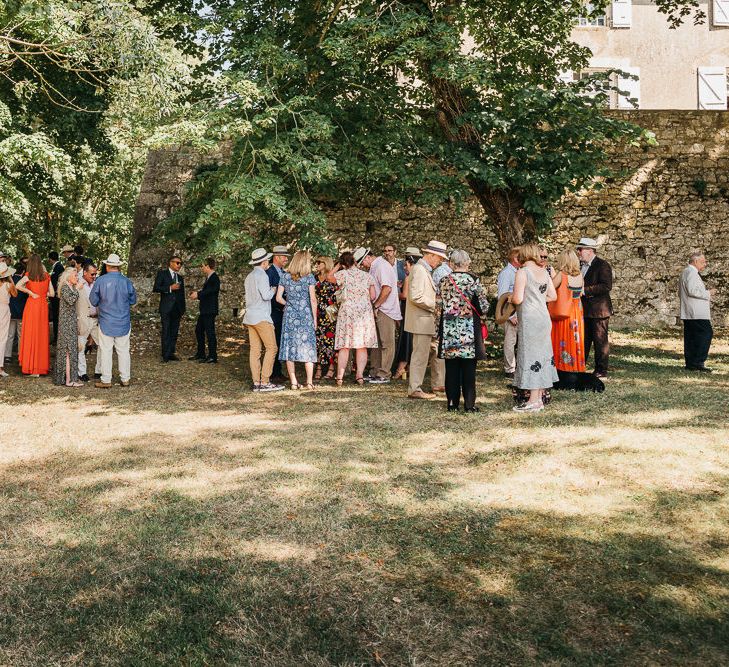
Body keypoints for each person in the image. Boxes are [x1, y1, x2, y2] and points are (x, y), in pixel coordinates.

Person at [436, 250, 488, 412]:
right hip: (468, 332)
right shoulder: (473, 280)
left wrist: (439, 326)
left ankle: (452, 403)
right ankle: (469, 404)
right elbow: (484, 306)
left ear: (452, 263)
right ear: (466, 263)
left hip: (449, 330)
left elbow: (438, 306)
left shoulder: (444, 281)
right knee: (468, 369)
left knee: (451, 369)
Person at [510, 242, 558, 413]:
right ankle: (537, 399)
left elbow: (517, 298)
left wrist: (510, 299)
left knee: (530, 356)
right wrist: (538, 297)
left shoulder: (522, 272)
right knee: (541, 356)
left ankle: (533, 400)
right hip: (543, 318)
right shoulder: (544, 272)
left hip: (530, 318)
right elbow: (553, 296)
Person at [404, 240, 448, 399]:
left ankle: (437, 383)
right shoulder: (419, 270)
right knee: (420, 356)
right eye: (439, 258)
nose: (441, 261)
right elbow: (416, 296)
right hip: (421, 320)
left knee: (434, 351)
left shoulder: (423, 269)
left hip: (425, 320)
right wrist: (435, 304)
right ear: (431, 255)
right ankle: (414, 388)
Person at [89, 254, 137, 388]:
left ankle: (106, 379)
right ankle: (125, 378)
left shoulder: (100, 281)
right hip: (123, 321)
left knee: (106, 350)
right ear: (119, 266)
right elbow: (133, 300)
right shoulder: (126, 281)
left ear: (107, 266)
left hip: (106, 321)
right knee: (123, 351)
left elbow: (93, 300)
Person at [333, 250, 378, 386]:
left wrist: (337, 266)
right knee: (361, 346)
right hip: (363, 313)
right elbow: (372, 296)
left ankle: (340, 377)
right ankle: (359, 376)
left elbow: (329, 277)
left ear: (343, 263)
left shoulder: (342, 274)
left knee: (345, 346)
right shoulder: (367, 276)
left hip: (347, 312)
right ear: (355, 262)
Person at [243, 249, 284, 392]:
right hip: (262, 317)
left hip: (250, 316)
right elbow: (266, 296)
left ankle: (256, 382)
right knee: (272, 348)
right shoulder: (263, 275)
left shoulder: (249, 276)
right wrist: (274, 289)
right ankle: (265, 381)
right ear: (265, 262)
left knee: (255, 350)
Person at [276, 250, 318, 389]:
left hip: (289, 317)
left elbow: (278, 298)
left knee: (290, 348)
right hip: (305, 316)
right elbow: (313, 299)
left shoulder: (285, 276)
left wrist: (288, 304)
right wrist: (315, 319)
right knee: (308, 348)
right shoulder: (309, 277)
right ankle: (310, 382)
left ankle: (294, 382)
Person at [359, 248, 402, 383]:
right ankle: (375, 371)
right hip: (380, 308)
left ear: (367, 257)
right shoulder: (375, 266)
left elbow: (387, 288)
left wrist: (376, 305)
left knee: (386, 342)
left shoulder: (381, 266)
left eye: (361, 262)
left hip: (385, 309)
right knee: (376, 342)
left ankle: (384, 373)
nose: (362, 266)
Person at [577, 237, 613, 378]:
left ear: (590, 251)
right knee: (584, 340)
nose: (579, 252)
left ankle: (601, 370)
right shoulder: (580, 266)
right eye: (578, 250)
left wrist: (585, 291)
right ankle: (580, 366)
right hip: (584, 310)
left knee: (600, 341)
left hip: (599, 310)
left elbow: (606, 286)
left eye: (581, 249)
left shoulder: (602, 265)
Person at [550, 249, 586, 382]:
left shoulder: (561, 275)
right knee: (575, 341)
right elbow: (581, 294)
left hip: (563, 314)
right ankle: (575, 367)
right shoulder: (580, 275)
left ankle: (561, 368)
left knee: (562, 340)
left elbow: (549, 289)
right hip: (576, 313)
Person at [16, 254, 54, 377]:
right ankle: (40, 367)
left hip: (32, 304)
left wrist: (31, 292)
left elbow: (17, 286)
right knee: (41, 335)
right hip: (42, 305)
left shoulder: (28, 276)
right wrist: (44, 292)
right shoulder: (46, 276)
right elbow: (52, 294)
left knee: (31, 333)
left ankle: (31, 367)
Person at [679, 251, 715, 372]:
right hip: (696, 312)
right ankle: (698, 362)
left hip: (690, 311)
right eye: (703, 262)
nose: (705, 264)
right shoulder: (692, 273)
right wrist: (708, 293)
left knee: (692, 337)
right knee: (705, 334)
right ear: (695, 261)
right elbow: (692, 290)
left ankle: (691, 363)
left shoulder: (686, 272)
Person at [393, 248, 421, 380]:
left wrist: (395, 293)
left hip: (407, 309)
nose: (404, 267)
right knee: (410, 340)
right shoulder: (419, 275)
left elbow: (404, 295)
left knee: (406, 339)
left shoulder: (409, 277)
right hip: (414, 311)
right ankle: (408, 368)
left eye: (405, 264)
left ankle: (401, 368)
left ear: (410, 263)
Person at [53, 266, 84, 387]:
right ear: (69, 276)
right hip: (66, 324)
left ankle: (69, 378)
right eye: (75, 275)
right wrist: (78, 290)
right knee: (67, 351)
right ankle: (68, 380)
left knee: (70, 351)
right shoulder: (66, 287)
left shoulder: (70, 286)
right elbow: (71, 301)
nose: (77, 278)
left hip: (70, 322)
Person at [152, 255, 186, 362]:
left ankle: (171, 352)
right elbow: (156, 288)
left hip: (177, 309)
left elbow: (182, 294)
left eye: (180, 263)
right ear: (170, 263)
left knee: (174, 331)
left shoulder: (180, 278)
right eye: (177, 263)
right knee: (166, 330)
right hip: (166, 308)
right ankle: (165, 355)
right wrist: (169, 288)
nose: (179, 265)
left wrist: (183, 308)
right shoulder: (162, 274)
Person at [266, 245, 290, 382]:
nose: (286, 259)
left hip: (282, 312)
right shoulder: (270, 273)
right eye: (284, 257)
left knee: (279, 342)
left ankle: (277, 371)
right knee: (273, 342)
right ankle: (273, 373)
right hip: (273, 312)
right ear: (276, 258)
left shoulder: (283, 272)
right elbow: (270, 295)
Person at [189, 257, 220, 363]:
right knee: (198, 330)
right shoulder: (209, 278)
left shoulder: (214, 278)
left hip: (209, 310)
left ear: (207, 266)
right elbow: (207, 291)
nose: (201, 268)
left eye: (202, 266)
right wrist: (198, 293)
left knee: (210, 332)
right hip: (205, 310)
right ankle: (201, 353)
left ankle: (212, 356)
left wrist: (198, 294)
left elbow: (211, 291)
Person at [496, 247, 520, 378]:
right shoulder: (506, 273)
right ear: (515, 258)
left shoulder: (517, 272)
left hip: (517, 310)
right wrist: (509, 316)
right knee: (510, 340)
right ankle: (509, 369)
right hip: (509, 310)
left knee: (516, 340)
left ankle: (515, 366)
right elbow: (502, 296)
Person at [313, 256, 338, 380]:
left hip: (330, 313)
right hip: (317, 313)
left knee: (330, 341)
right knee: (318, 341)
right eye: (316, 262)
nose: (317, 264)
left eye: (319, 262)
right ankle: (318, 367)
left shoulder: (333, 278)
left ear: (326, 264)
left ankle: (331, 368)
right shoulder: (314, 277)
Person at [76, 262, 101, 382]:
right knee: (80, 346)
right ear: (85, 272)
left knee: (102, 344)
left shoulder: (97, 284)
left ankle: (99, 370)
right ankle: (82, 372)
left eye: (96, 274)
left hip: (96, 319)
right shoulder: (78, 284)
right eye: (92, 274)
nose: (94, 276)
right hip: (84, 319)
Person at [4, 258, 27, 363]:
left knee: (9, 334)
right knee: (20, 335)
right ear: (23, 272)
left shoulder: (10, 282)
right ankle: (20, 355)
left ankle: (7, 355)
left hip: (11, 311)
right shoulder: (24, 282)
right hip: (21, 312)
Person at [0, 262, 18, 378]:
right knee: (2, 338)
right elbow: (15, 294)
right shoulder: (8, 285)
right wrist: (11, 279)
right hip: (4, 310)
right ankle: (0, 368)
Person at [48, 250, 64, 343]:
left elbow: (57, 282)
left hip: (56, 297)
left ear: (50, 259)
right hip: (54, 297)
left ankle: (57, 337)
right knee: (55, 316)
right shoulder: (56, 267)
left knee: (56, 317)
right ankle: (56, 337)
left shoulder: (59, 267)